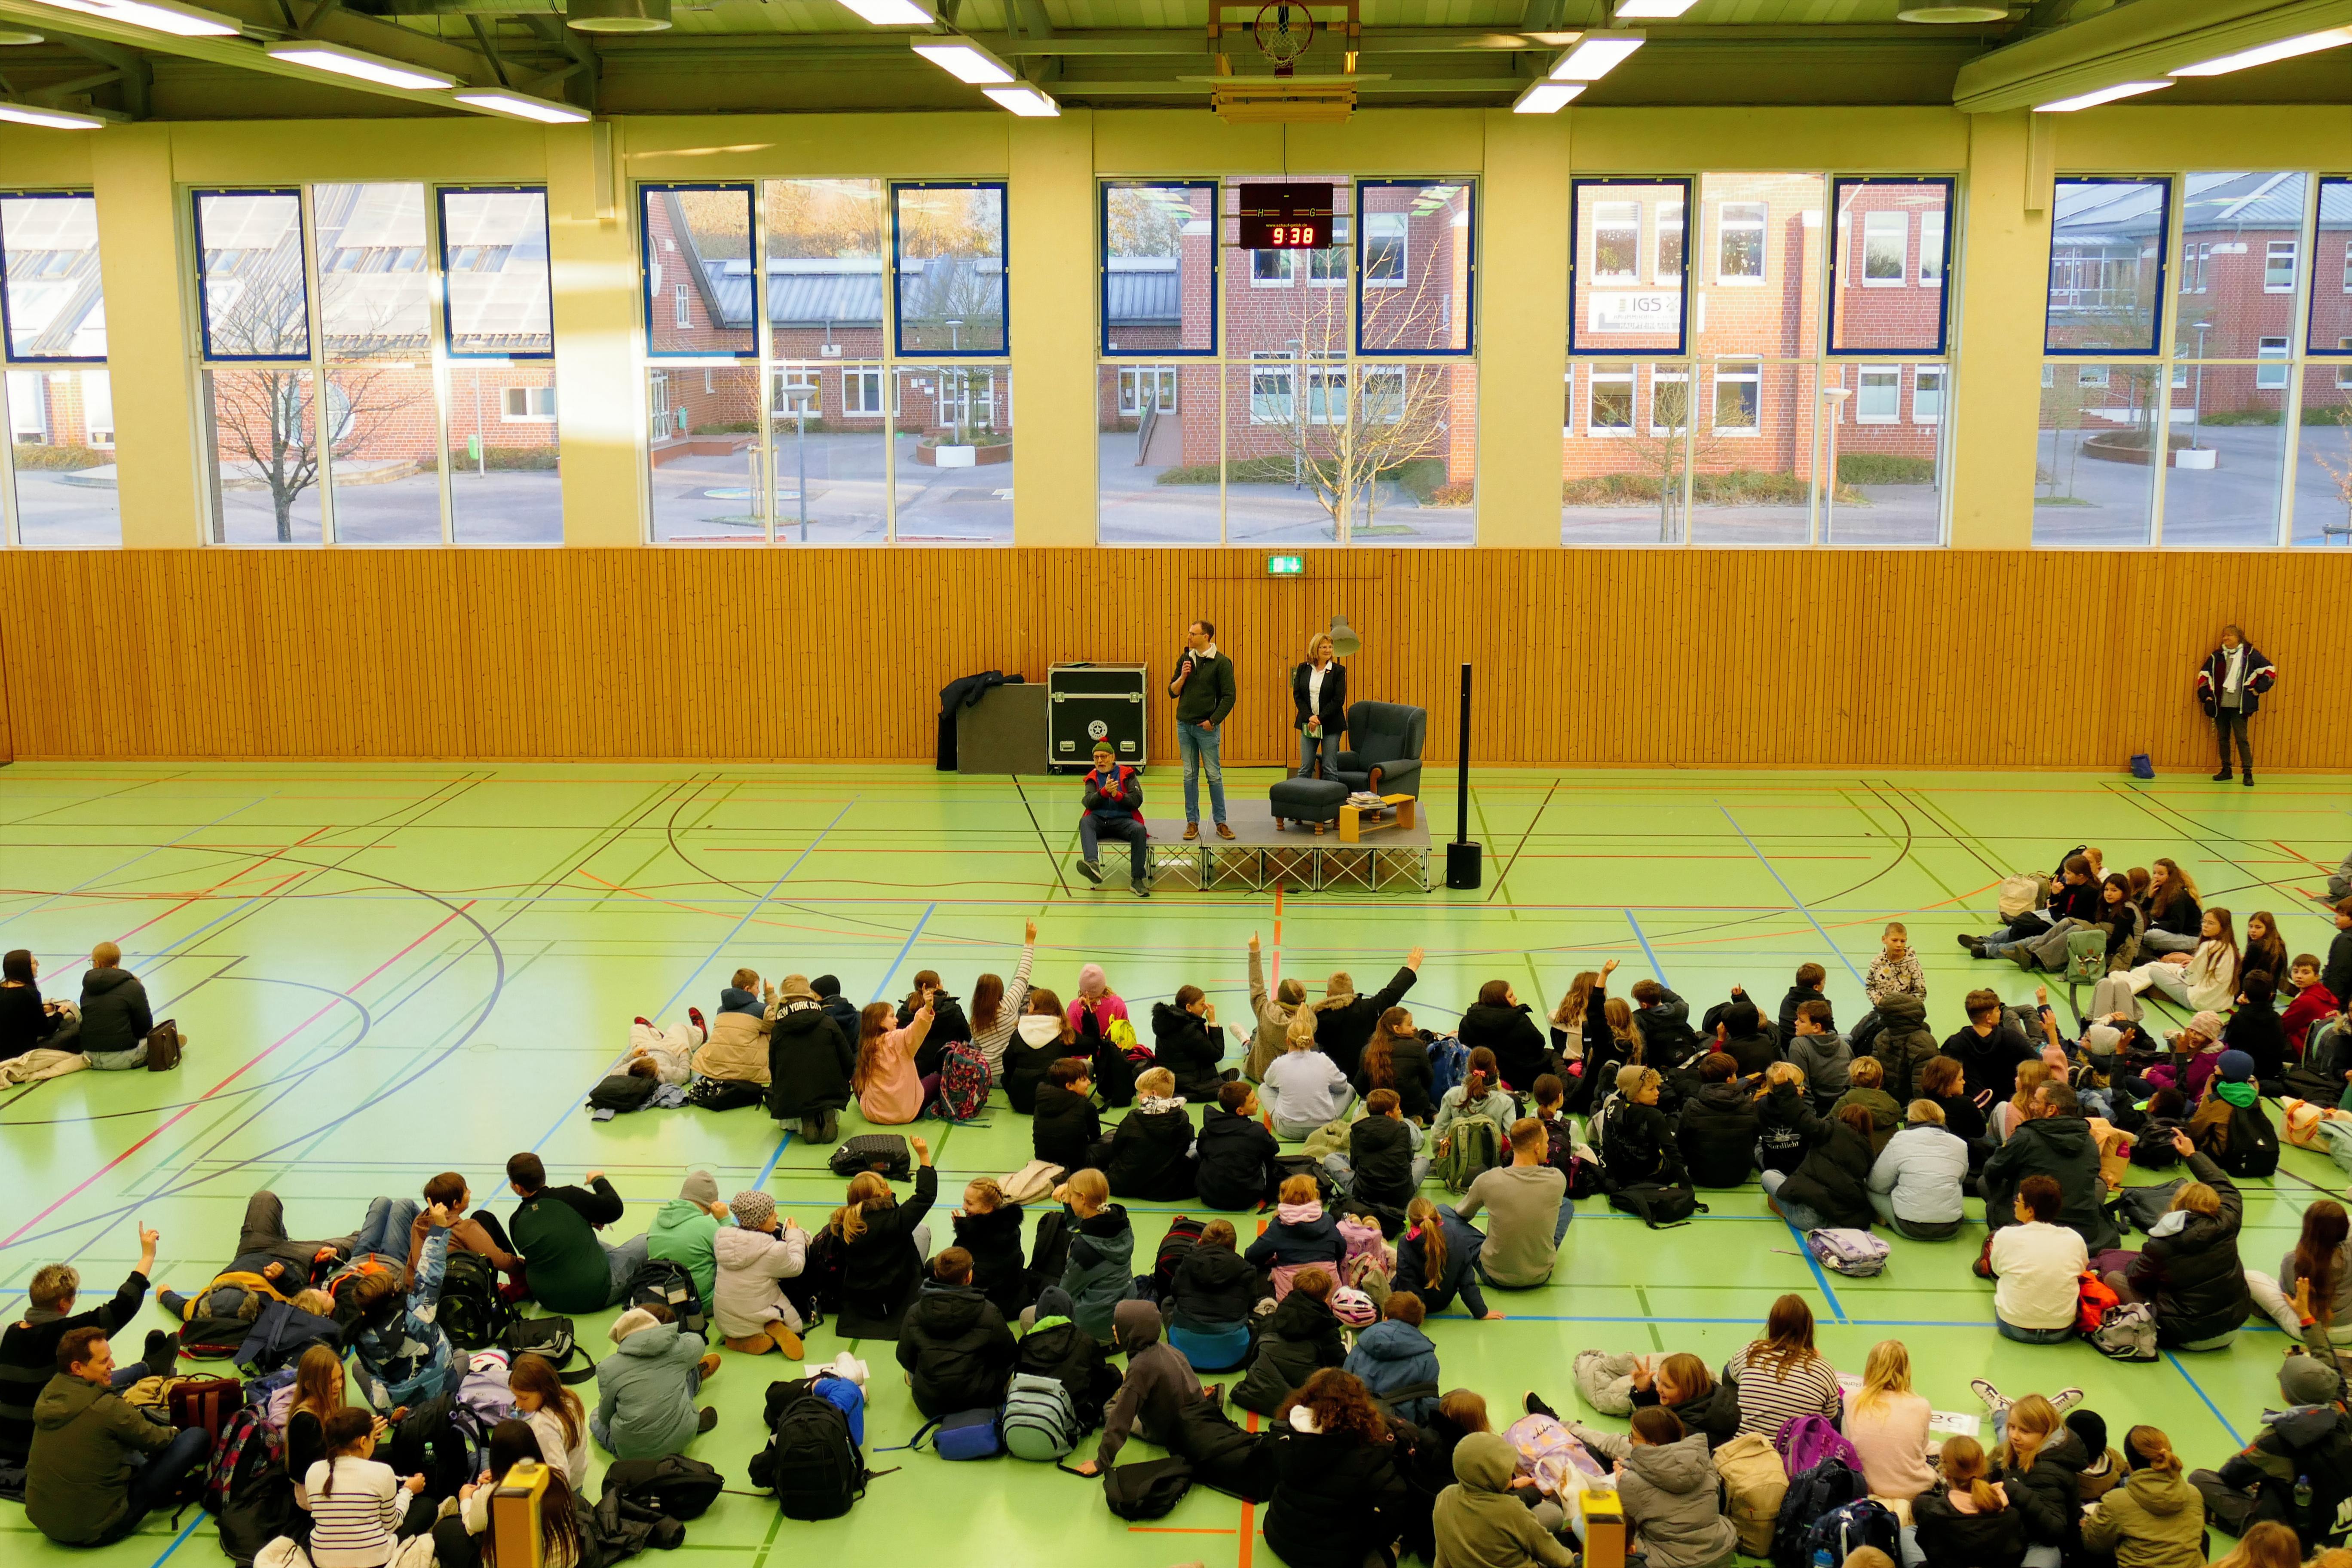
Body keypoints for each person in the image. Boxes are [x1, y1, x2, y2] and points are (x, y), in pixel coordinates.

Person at [2193, 1279, 2352, 1552]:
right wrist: (2305, 1314)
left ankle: (2245, 1530)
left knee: (2200, 1479)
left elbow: (2232, 1475)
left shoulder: (2280, 1438)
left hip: (2292, 1541)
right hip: (2334, 1530)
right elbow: (2326, 1357)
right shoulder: (2340, 1408)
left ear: (2287, 1393)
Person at [24, 1326, 214, 1547]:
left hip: (46, 1523)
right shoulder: (107, 1408)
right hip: (98, 1529)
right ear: (77, 1368)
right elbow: (158, 1441)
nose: (113, 1365)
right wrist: (173, 1431)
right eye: (104, 1361)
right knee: (196, 1438)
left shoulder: (50, 1394)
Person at [0, 1228, 162, 1465]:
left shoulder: (10, 1333)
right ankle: (148, 1368)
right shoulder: (66, 1336)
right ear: (64, 1304)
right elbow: (123, 1306)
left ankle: (146, 1368)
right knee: (98, 1387)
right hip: (37, 1443)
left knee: (87, 1374)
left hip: (6, 1440)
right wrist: (148, 1256)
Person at [2101, 1142, 2250, 1351]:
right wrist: (2192, 1155)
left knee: (2114, 1276)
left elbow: (2136, 1278)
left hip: (2186, 1335)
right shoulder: (2229, 1221)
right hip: (2232, 1328)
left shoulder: (2163, 1243)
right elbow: (2225, 1186)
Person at [1261, 1368, 1410, 1568]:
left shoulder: (1285, 1434)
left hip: (1278, 1535)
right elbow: (1395, 1503)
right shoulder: (1370, 1452)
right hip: (1334, 1556)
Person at [344, 1204, 459, 1414]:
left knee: (357, 1368)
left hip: (397, 1405)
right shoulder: (419, 1311)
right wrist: (439, 1228)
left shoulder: (359, 1336)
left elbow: (375, 1376)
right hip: (437, 1393)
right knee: (461, 1356)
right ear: (391, 1295)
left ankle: (393, 1415)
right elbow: (430, 1269)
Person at [1981, 1082, 2121, 1253]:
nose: (2032, 1106)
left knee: (1984, 1182)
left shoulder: (2026, 1135)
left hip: (2032, 1224)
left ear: (2051, 1110)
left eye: (2036, 1102)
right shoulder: (2089, 1140)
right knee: (2097, 1186)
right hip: (2082, 1230)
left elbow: (1992, 1170)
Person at [1072, 1298, 1206, 1474]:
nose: (1114, 1327)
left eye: (1120, 1324)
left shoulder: (1141, 1367)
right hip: (1192, 1422)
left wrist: (1101, 1462)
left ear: (1132, 1332)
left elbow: (1121, 1420)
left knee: (1109, 1409)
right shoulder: (1168, 1350)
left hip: (1165, 1433)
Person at [1595, 1406, 1740, 1568]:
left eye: (1633, 1437)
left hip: (1670, 1562)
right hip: (1718, 1552)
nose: (1630, 1442)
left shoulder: (1630, 1482)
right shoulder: (1703, 1463)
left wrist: (1620, 1483)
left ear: (1653, 1445)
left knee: (1587, 1524)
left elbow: (1625, 1526)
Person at [433, 1421, 589, 1568]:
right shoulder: (556, 1476)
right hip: (569, 1562)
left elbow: (472, 1526)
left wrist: (466, 1498)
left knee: (445, 1528)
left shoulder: (493, 1495)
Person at [505, 1155, 648, 1314]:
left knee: (569, 1244)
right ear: (543, 1175)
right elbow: (615, 1208)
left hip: (548, 1300)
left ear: (517, 1188)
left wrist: (584, 1220)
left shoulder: (516, 1221)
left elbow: (544, 1238)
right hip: (596, 1294)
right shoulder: (569, 1196)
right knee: (647, 1241)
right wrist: (598, 1179)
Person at [833, 1135, 936, 1338]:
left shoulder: (843, 1224)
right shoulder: (897, 1221)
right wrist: (923, 1155)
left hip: (861, 1299)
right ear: (886, 1192)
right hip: (895, 1296)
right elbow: (926, 1195)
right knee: (922, 1231)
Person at [895, 1248, 1017, 1421]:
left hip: (930, 1405)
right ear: (969, 1276)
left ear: (936, 1273)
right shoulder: (989, 1312)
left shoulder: (915, 1312)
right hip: (980, 1403)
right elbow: (1009, 1355)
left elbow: (904, 1357)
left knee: (912, 1369)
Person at [297, 1406, 426, 1568]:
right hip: (375, 1562)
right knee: (426, 1507)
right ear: (364, 1442)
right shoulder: (382, 1472)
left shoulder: (313, 1471)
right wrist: (408, 1491)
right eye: (374, 1438)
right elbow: (391, 1525)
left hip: (323, 1561)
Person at [1430, 1428, 1577, 1568]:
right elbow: (1552, 1553)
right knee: (1554, 1513)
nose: (1511, 1471)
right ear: (1489, 1474)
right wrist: (1572, 1560)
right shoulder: (1510, 1510)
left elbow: (1442, 1557)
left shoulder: (1445, 1497)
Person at [1453, 1119, 1570, 1290]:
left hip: (1493, 1276)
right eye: (1546, 1143)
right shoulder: (1558, 1180)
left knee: (1447, 1214)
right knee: (1566, 1205)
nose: (1548, 1147)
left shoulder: (1488, 1180)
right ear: (1537, 1148)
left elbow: (1462, 1214)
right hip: (1540, 1275)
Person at [591, 1303, 718, 1458]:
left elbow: (605, 1417)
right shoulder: (678, 1349)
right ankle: (694, 1385)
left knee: (595, 1418)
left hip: (633, 1455)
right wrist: (673, 1338)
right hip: (683, 1437)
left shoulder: (607, 1368)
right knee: (682, 1377)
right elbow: (697, 1342)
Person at [2078, 1426, 2205, 1568]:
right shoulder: (2194, 1494)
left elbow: (2094, 1545)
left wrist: (2088, 1524)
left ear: (2130, 1463)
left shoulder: (2117, 1501)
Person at [1987, 1175, 2090, 1343]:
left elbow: (1997, 1270)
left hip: (2014, 1326)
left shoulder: (2005, 1235)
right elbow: (2081, 1270)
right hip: (2061, 1329)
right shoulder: (2074, 1238)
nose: (2015, 1204)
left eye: (2018, 1201)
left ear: (2030, 1210)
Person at [1722, 1295, 1841, 1439]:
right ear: (1808, 1328)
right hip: (1794, 1458)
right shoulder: (1824, 1369)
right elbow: (1830, 1420)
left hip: (1742, 1450)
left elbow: (1727, 1377)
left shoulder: (1751, 1351)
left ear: (1773, 1324)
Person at [1233, 1268, 1348, 1417]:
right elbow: (1341, 1369)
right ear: (1325, 1298)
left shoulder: (1270, 1321)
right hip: (1300, 1405)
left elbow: (1250, 1362)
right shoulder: (1327, 1332)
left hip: (1256, 1396)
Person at [711, 1188, 806, 1359]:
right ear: (760, 1221)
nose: (776, 1215)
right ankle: (771, 1326)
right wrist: (795, 1235)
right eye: (771, 1214)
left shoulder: (723, 1240)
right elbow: (796, 1267)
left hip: (725, 1317)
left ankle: (737, 1338)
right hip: (757, 1311)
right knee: (785, 1313)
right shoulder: (773, 1249)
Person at [765, 973, 858, 1144]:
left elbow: (774, 1067)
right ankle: (828, 1112)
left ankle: (806, 1118)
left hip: (794, 1093)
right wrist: (843, 1084)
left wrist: (778, 1092)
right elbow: (847, 1059)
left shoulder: (779, 1029)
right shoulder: (827, 1021)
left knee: (790, 1116)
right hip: (830, 1089)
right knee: (825, 1096)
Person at [2000, 1393, 2089, 1566]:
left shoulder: (2048, 1473)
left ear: (2046, 1433)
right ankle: (2000, 1410)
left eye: (2024, 1430)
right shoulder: (2017, 1449)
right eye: (2011, 1427)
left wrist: (2016, 1491)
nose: (2015, 1436)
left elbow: (2054, 1532)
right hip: (2014, 1530)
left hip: (2041, 1542)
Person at [1844, 1340, 1934, 1509]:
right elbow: (1921, 1448)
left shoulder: (1851, 1398)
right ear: (1906, 1369)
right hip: (1913, 1491)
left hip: (1867, 1487)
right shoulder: (1921, 1406)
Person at [1169, 617, 1237, 841]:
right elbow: (1173, 691)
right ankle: (1192, 823)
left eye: (1193, 634)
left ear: (1206, 637)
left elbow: (1229, 697)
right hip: (1184, 726)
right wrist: (1183, 676)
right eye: (1189, 633)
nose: (1189, 637)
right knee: (1189, 775)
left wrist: (1214, 720)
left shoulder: (1222, 663)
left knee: (1214, 776)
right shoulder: (1185, 659)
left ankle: (1221, 822)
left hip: (1207, 728)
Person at [1761, 1103, 1877, 1233]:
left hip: (1809, 1219)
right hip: (1842, 1224)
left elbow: (1803, 1120)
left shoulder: (1829, 1130)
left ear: (1841, 1117)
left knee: (1769, 1176)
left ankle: (1786, 1211)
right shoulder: (1869, 1153)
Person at [2248, 1198, 2352, 1343]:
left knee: (2250, 1277)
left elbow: (2289, 1296)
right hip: (2349, 1331)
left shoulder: (2293, 1260)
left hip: (2308, 1331)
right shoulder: (2350, 1251)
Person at [1312, 948, 1426, 1080]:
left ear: (1328, 994)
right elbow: (1392, 993)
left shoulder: (1318, 1017)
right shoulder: (1369, 1008)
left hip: (1330, 1076)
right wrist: (1412, 967)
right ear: (1353, 992)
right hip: (1365, 1075)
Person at [1911, 1436, 2025, 1568]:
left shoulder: (1933, 1513)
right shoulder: (2011, 1514)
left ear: (1946, 1473)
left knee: (1907, 1533)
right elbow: (2016, 1554)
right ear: (1983, 1467)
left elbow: (1932, 1554)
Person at [2110, 909, 2239, 1019]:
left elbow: (2189, 978)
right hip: (2222, 1003)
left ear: (2223, 927)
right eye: (2204, 922)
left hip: (2199, 1002)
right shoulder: (2231, 948)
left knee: (2155, 971)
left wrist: (2176, 970)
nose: (2205, 926)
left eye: (2211, 923)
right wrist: (2193, 964)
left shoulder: (2209, 946)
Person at [1055, 1168, 1136, 1342]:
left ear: (1083, 1198)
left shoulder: (1084, 1249)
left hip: (1095, 1330)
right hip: (1123, 1320)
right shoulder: (1121, 1223)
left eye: (1071, 1196)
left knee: (1029, 1317)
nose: (1068, 1198)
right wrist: (1068, 1202)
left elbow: (1065, 1293)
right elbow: (1082, 1225)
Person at [403, 1174, 520, 1294]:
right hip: (457, 1292)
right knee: (483, 1218)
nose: (470, 1191)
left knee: (482, 1217)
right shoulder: (465, 1228)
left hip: (418, 1291)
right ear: (456, 1204)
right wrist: (524, 1266)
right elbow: (499, 1261)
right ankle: (520, 1281)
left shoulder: (419, 1221)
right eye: (465, 1191)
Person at [1394, 1196, 1501, 1321]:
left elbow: (1408, 1283)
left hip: (1419, 1308)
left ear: (1412, 1223)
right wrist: (1482, 1312)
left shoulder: (1405, 1244)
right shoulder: (1457, 1237)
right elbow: (1467, 1282)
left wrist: (1416, 1317)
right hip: (1443, 1302)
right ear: (1438, 1217)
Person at [1246, 1173, 1350, 1300]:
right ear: (1314, 1194)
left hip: (1292, 1299)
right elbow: (1342, 1250)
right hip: (1329, 1295)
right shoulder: (1327, 1220)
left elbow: (1252, 1256)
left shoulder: (1279, 1226)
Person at [1342, 1292, 1441, 1424]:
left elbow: (1343, 1387)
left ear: (1385, 1317)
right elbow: (1427, 1406)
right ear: (1420, 1322)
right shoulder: (1428, 1359)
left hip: (1360, 1424)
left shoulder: (1360, 1347)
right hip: (1401, 1431)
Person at [1166, 1220, 1262, 1353]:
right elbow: (1251, 1304)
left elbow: (1176, 1294)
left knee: (1167, 1303)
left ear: (1200, 1243)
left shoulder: (1187, 1264)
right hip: (1234, 1356)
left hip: (1185, 1352)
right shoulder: (1247, 1270)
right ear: (1234, 1248)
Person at [1328, 1087, 1429, 1211]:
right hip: (1400, 1198)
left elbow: (1354, 1165)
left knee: (1330, 1159)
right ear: (1388, 1114)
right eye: (1398, 1108)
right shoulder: (1404, 1130)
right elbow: (1408, 1159)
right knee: (1423, 1161)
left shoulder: (1357, 1131)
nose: (1400, 1111)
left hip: (1365, 1197)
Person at [2200, 622, 2276, 784]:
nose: (2226, 638)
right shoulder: (2217, 656)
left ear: (2239, 637)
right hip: (2221, 705)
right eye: (2224, 635)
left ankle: (2247, 773)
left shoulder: (2251, 655)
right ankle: (2226, 770)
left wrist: (2258, 689)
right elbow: (2204, 676)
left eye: (2230, 635)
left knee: (2242, 739)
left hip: (2240, 706)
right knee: (2223, 738)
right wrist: (2206, 696)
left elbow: (2270, 671)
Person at [1105, 1066, 1197, 1200]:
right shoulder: (1182, 1117)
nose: (1138, 1097)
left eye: (1141, 1092)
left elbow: (1117, 1146)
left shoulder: (1133, 1118)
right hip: (1169, 1188)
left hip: (1130, 1184)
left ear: (1153, 1094)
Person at [1262, 1011, 1356, 1138]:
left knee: (1264, 1088)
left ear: (1288, 1041)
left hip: (1288, 1129)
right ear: (1312, 1041)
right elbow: (1343, 1087)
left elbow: (1268, 1082)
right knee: (1350, 1090)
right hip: (1322, 1128)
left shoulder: (1280, 1064)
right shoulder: (1323, 1060)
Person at [645, 1170, 729, 1311]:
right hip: (700, 1304)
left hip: (663, 1302)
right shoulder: (707, 1225)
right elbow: (737, 1251)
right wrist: (725, 1220)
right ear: (712, 1203)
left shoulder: (656, 1221)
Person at [1075, 741, 1152, 895]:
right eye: (1096, 758)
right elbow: (1088, 802)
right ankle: (1093, 864)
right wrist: (1103, 793)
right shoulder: (1092, 778)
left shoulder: (1127, 774)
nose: (1100, 761)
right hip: (1099, 821)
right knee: (1085, 822)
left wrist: (1118, 796)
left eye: (1104, 757)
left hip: (1123, 821)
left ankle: (1137, 879)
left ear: (1113, 757)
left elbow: (1137, 800)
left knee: (1139, 830)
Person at [966, 920, 1038, 1082]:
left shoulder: (975, 1021)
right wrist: (1029, 941)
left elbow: (977, 1048)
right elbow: (1023, 974)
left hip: (988, 1076)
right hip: (1007, 1073)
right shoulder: (1009, 1005)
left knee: (973, 1042)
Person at [1942, 988, 2037, 1109]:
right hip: (2011, 1106)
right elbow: (2037, 1065)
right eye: (1997, 1011)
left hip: (1974, 1108)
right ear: (1988, 1018)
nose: (2000, 1014)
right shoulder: (2012, 1039)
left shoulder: (1954, 1044)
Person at [1194, 1080, 1280, 1211]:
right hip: (1247, 1199)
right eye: (1252, 1101)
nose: (1258, 1101)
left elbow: (1201, 1153)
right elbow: (1274, 1149)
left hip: (1208, 1196)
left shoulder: (1206, 1131)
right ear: (1240, 1111)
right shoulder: (1256, 1131)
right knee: (1267, 1158)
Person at [507, 1352, 588, 1490]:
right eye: (516, 1397)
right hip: (578, 1478)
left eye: (524, 1398)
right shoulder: (570, 1397)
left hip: (564, 1494)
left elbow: (560, 1477)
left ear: (543, 1391)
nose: (518, 1404)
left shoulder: (543, 1425)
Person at [1677, 1053, 1760, 1188]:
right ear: (1728, 1080)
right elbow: (1754, 1139)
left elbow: (1682, 1142)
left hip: (1700, 1176)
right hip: (1739, 1176)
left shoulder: (1692, 1106)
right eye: (1734, 1074)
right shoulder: (1749, 1105)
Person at [949, 1178, 1026, 1324]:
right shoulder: (1010, 1226)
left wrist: (963, 1232)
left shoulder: (975, 1235)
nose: (964, 1207)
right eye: (964, 1201)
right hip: (1012, 1297)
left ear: (988, 1208)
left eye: (970, 1203)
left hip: (988, 1302)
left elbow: (964, 1267)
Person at [852, 995, 934, 1126]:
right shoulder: (898, 1039)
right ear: (879, 1021)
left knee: (856, 1080)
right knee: (936, 1079)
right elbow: (916, 1028)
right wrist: (927, 1009)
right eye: (891, 1016)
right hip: (905, 1114)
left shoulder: (866, 1046)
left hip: (875, 1115)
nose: (896, 1020)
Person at [76, 942, 159, 1069]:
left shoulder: (87, 988)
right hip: (125, 1058)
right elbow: (145, 1027)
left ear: (97, 963)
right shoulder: (133, 986)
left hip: (90, 1058)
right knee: (160, 1031)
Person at [1601, 1064, 1684, 1189]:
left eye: (1657, 1087)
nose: (1657, 1093)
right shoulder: (1653, 1115)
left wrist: (1612, 1178)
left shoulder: (1612, 1107)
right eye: (1651, 1089)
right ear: (1634, 1091)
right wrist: (1686, 1185)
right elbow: (1672, 1151)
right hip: (1652, 1176)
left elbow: (1607, 1147)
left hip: (1622, 1177)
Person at [1467, 977, 1553, 1097]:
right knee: (1554, 1056)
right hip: (1522, 1078)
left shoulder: (1468, 1021)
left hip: (1486, 1075)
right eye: (1511, 996)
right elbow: (1540, 1043)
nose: (1516, 998)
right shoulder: (1519, 1020)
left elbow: (1466, 1047)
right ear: (1500, 1001)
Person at [1004, 987, 1081, 1115]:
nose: (1028, 1008)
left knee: (1006, 1076)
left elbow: (1007, 1062)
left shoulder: (1019, 1033)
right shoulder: (1064, 1033)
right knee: (1085, 1065)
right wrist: (1089, 1014)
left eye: (1030, 1005)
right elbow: (1092, 1044)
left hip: (1020, 1102)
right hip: (1054, 1100)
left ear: (1036, 1009)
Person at [691, 968, 773, 1087]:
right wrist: (770, 995)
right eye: (757, 988)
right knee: (769, 1032)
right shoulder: (760, 1010)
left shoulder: (721, 1010)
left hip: (716, 1071)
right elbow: (780, 1021)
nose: (759, 992)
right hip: (748, 1074)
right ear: (747, 989)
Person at [1243, 931, 1308, 1082]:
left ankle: (1245, 1042)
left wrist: (1254, 952)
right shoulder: (1309, 1019)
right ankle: (1246, 1042)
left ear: (1279, 996)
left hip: (1261, 1075)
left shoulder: (1266, 1012)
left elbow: (1257, 987)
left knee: (1256, 1034)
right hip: (1292, 1081)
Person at [1357, 1007, 1436, 1124]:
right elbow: (1429, 1080)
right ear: (1397, 1029)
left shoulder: (1368, 1050)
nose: (1414, 1028)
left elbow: (1360, 1086)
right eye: (1410, 1025)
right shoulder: (1417, 1047)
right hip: (1410, 1108)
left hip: (1380, 1109)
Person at [1152, 985, 1228, 1102]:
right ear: (1189, 1007)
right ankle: (1213, 1081)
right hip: (1187, 1085)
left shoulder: (1169, 1020)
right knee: (1230, 1092)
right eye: (1202, 1004)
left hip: (1172, 1079)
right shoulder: (1188, 1030)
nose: (1206, 1007)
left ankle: (1214, 1079)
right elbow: (1217, 1054)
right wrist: (1213, 1023)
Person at [0, 948, 78, 1061]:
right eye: (34, 963)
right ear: (23, 967)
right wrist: (60, 1014)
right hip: (23, 1054)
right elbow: (46, 1029)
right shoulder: (29, 994)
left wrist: (41, 1009)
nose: (38, 965)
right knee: (76, 1028)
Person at [1430, 1048, 1519, 1146]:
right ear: (1495, 1069)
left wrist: (1441, 1156)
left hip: (1459, 1158)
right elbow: (1512, 1140)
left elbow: (1437, 1132)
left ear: (1469, 1067)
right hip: (1494, 1159)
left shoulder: (1452, 1096)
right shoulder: (1505, 1102)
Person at [1033, 1056, 1106, 1175]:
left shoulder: (1042, 1101)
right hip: (1076, 1166)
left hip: (1043, 1160)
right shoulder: (1086, 1106)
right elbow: (1095, 1136)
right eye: (1084, 1080)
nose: (1089, 1082)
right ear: (1069, 1086)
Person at [1293, 629, 1348, 781]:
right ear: (1315, 649)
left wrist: (1319, 719)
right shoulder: (1303, 668)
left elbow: (1338, 700)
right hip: (1308, 724)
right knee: (1305, 768)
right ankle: (1303, 802)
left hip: (1331, 725)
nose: (1328, 650)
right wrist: (1310, 717)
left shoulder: (1338, 671)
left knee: (1329, 767)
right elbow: (1298, 696)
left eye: (1330, 647)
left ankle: (1331, 802)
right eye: (1324, 647)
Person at [2222, 974, 2286, 1092]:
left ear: (2245, 994)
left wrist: (2243, 1009)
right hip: (2272, 1072)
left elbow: (2228, 1045)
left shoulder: (2239, 1018)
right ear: (2271, 995)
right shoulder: (2277, 1017)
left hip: (2246, 1072)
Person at [1830, 1055, 1902, 1156]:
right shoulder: (1892, 1104)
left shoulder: (1846, 1102)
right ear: (1879, 1081)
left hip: (1859, 1160)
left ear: (1853, 1078)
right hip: (1887, 1159)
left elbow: (1826, 1128)